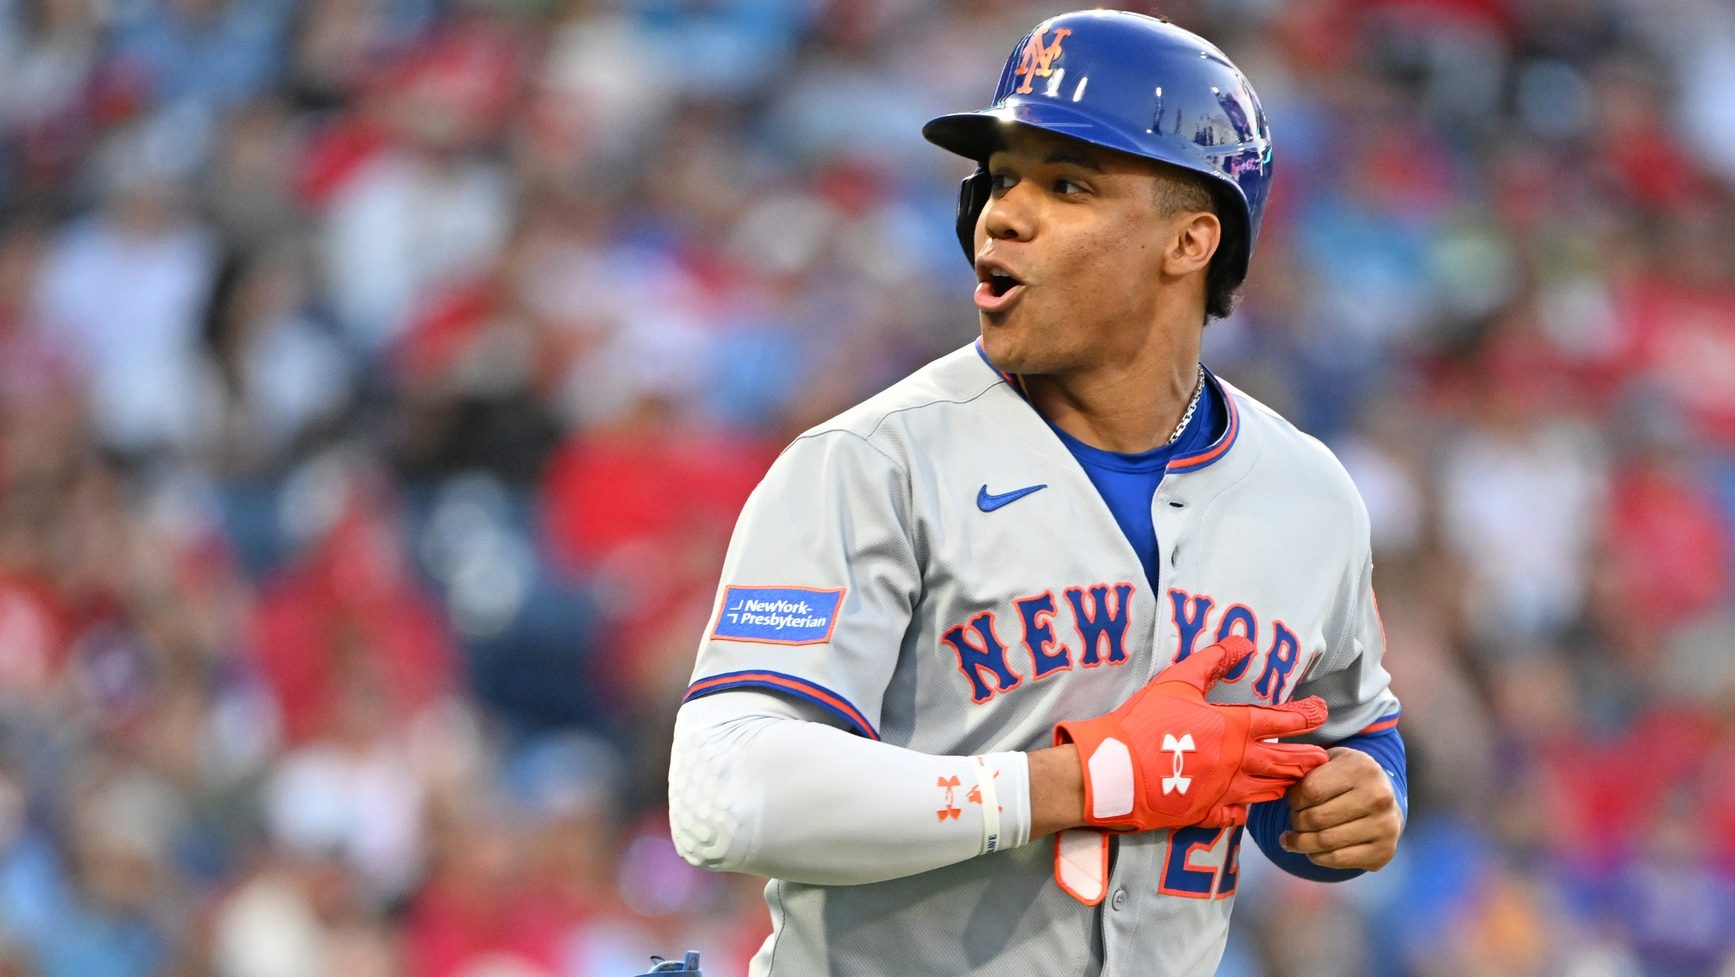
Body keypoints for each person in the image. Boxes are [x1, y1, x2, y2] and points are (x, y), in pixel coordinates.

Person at [667, 11, 1407, 977]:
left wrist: (1351, 798)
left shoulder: (1308, 494)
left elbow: (1358, 729)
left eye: (1067, 185)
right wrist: (1081, 780)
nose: (1002, 215)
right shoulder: (870, 461)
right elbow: (723, 791)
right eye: (999, 179)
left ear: (1190, 239)